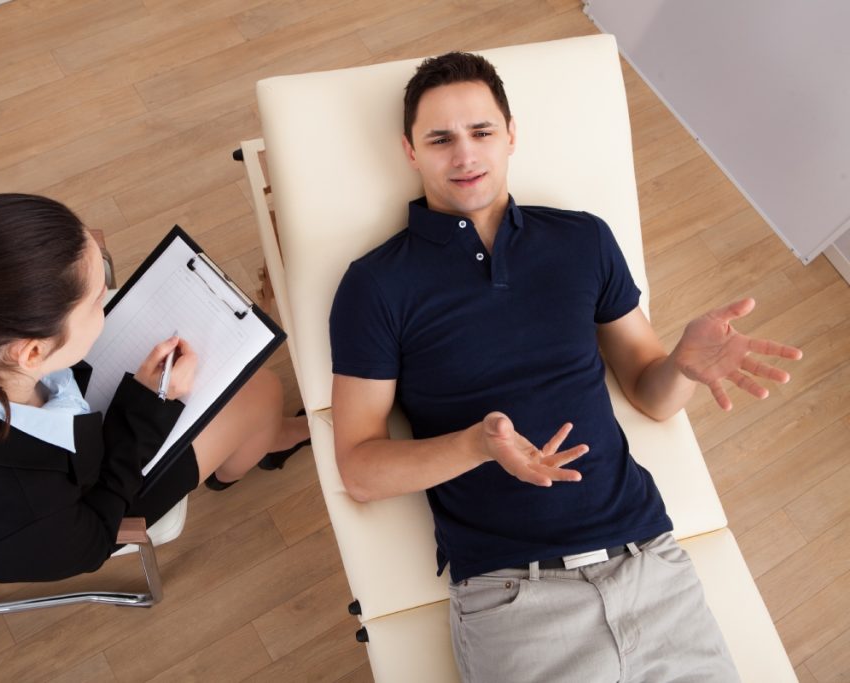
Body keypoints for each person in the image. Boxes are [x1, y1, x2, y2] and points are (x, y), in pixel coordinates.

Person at [329, 52, 802, 682]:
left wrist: (682, 366)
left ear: (512, 134)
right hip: (515, 600)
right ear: (411, 152)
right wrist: (477, 446)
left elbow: (649, 391)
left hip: (649, 566)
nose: (465, 156)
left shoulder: (582, 239)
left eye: (482, 132)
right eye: (440, 139)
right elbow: (359, 469)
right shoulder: (376, 285)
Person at [0, 193, 309, 584]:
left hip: (62, 461)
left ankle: (259, 442)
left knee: (253, 393)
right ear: (30, 354)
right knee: (261, 393)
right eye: (95, 303)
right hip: (90, 504)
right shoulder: (34, 525)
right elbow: (94, 536)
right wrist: (148, 406)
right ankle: (250, 459)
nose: (107, 301)